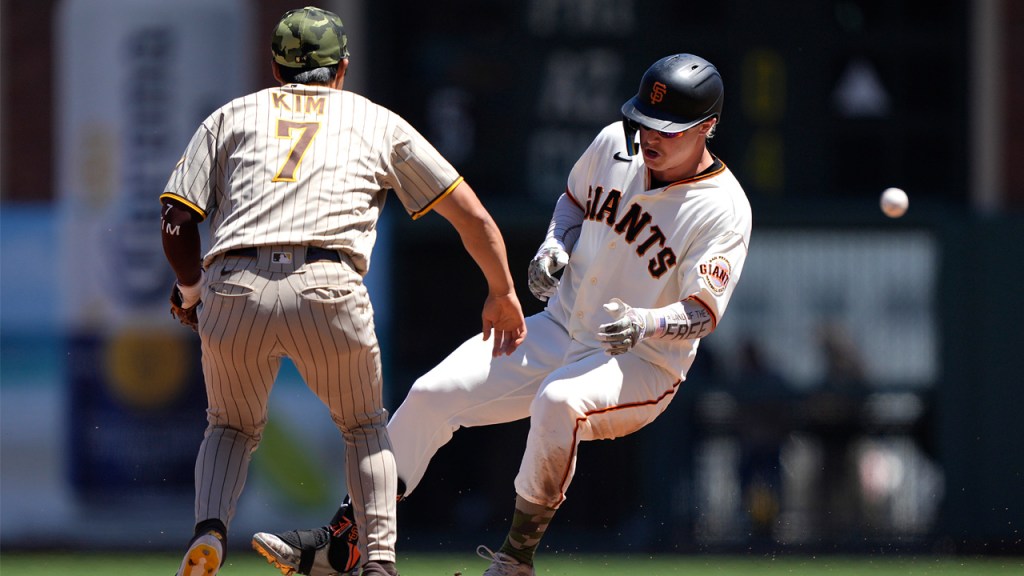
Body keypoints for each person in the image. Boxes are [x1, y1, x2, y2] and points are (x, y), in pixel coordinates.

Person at [252, 52, 752, 576]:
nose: (649, 135)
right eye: (643, 121)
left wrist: (646, 323)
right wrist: (554, 245)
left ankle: (515, 560)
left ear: (708, 127)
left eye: (667, 129)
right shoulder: (614, 143)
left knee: (560, 402)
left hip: (641, 361)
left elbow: (703, 311)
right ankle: (345, 540)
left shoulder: (724, 206)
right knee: (430, 395)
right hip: (560, 325)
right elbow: (573, 202)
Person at [160, 6, 526, 576]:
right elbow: (472, 215)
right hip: (327, 285)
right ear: (342, 68)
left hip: (232, 284)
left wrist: (188, 291)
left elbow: (176, 221)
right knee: (363, 427)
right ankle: (377, 562)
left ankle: (209, 532)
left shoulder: (231, 116)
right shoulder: (376, 120)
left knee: (230, 426)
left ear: (275, 65)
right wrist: (501, 290)